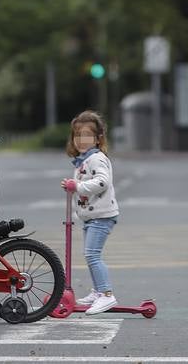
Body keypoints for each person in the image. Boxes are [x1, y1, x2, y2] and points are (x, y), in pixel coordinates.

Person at [62, 110, 120, 316]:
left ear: (97, 139)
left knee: (92, 255)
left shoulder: (96, 158)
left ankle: (106, 294)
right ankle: (97, 291)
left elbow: (103, 182)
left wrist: (77, 186)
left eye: (87, 135)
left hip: (102, 215)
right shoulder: (83, 161)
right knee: (90, 255)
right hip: (92, 216)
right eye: (77, 135)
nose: (81, 140)